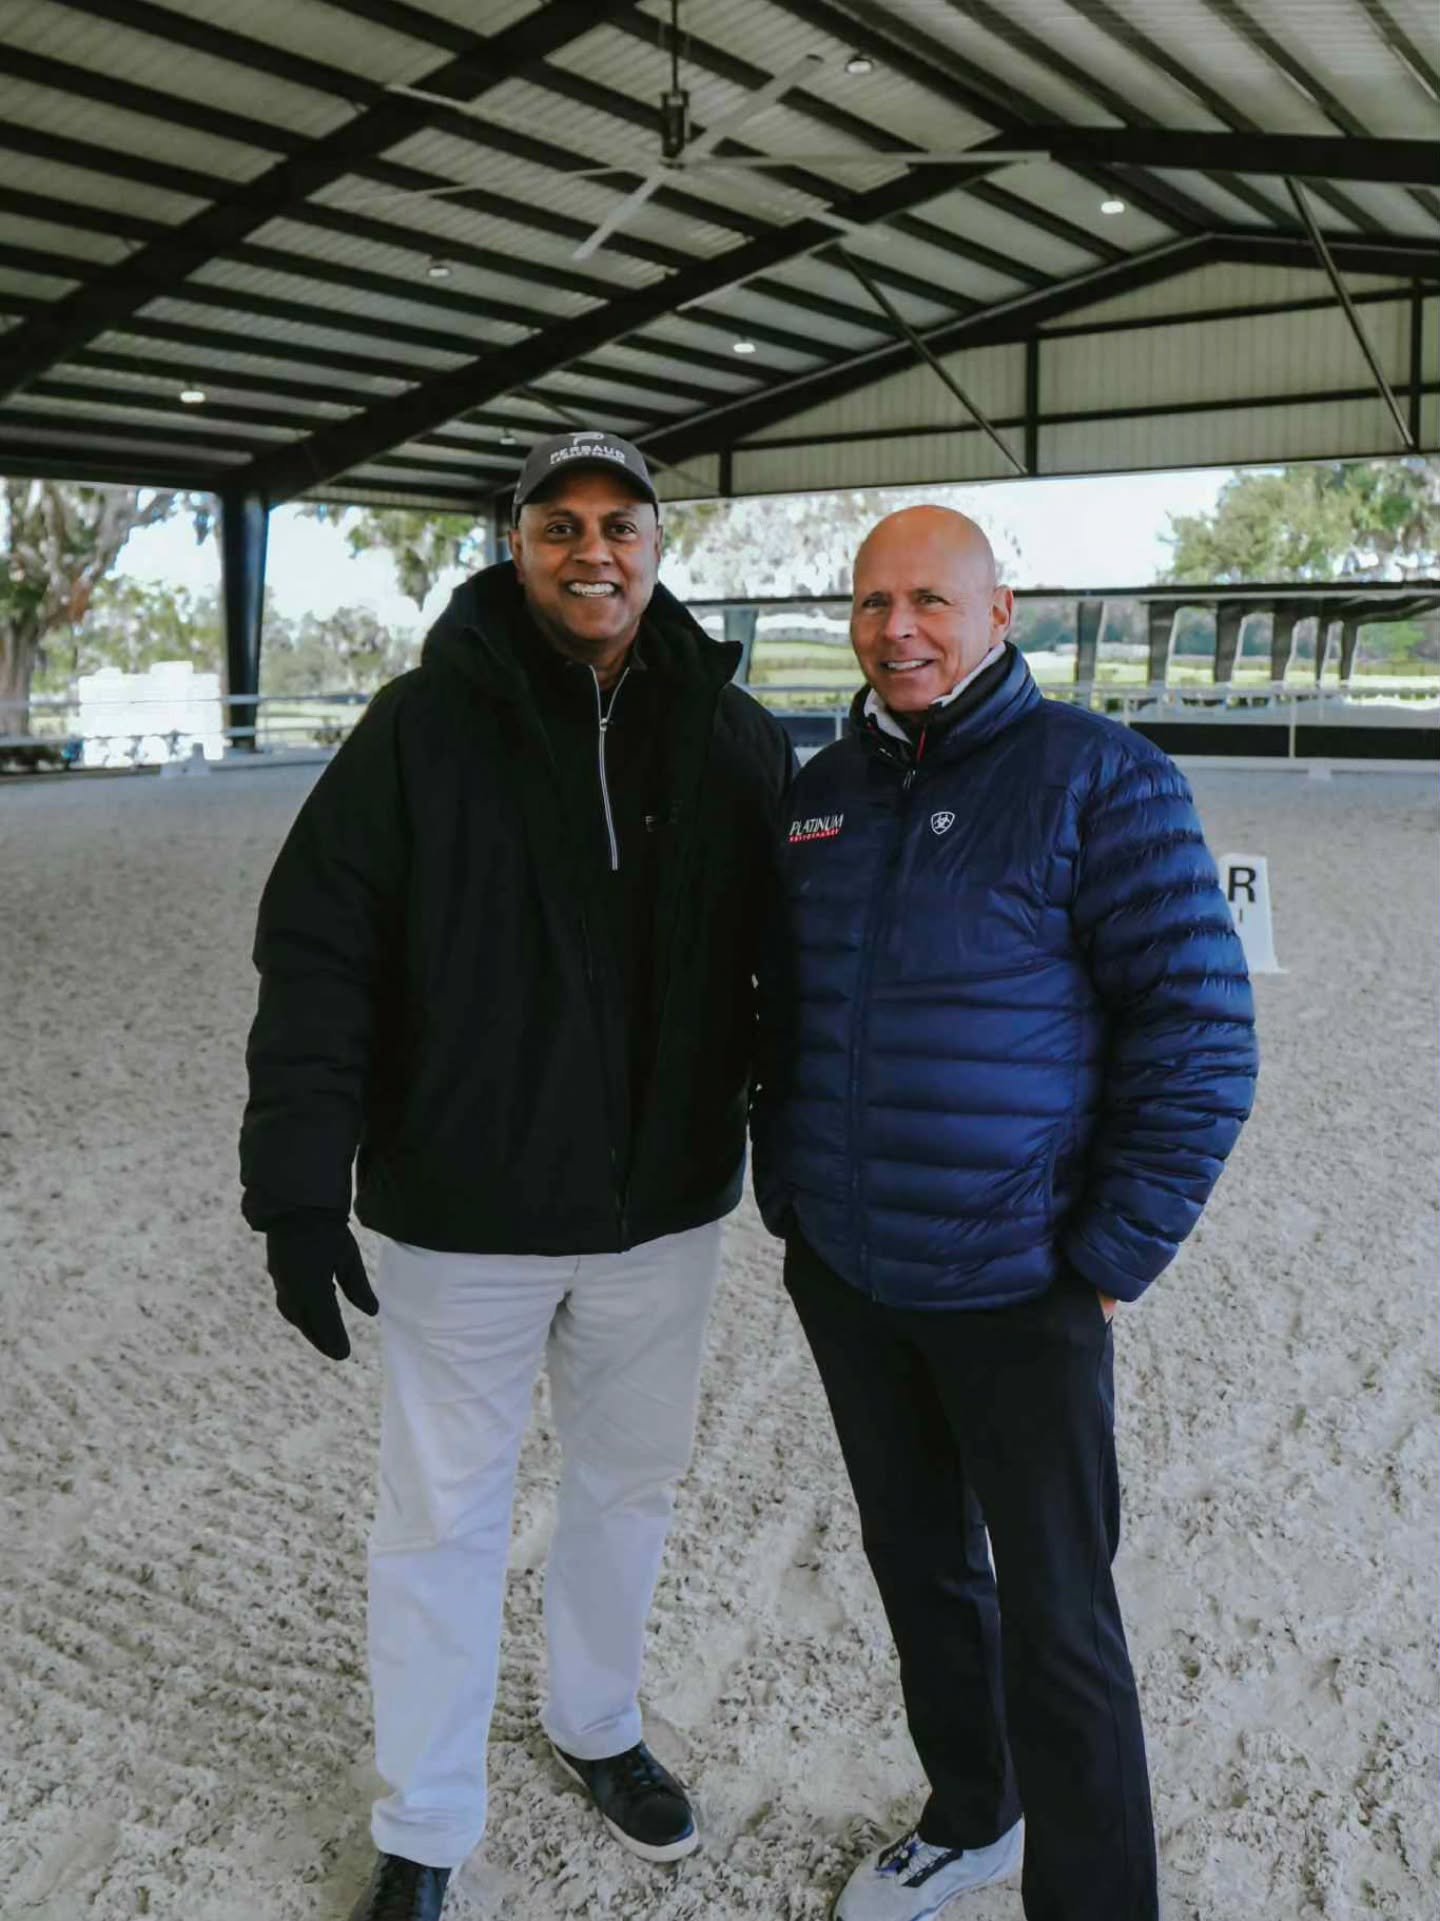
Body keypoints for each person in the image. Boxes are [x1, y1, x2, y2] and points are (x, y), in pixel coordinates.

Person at [240, 431, 792, 1921]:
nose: (592, 551)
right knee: (441, 1516)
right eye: (560, 525)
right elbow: (320, 953)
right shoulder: (419, 729)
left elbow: (792, 977)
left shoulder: (734, 739)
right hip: (464, 1215)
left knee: (628, 1486)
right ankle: (425, 1821)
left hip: (660, 1215)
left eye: (620, 524)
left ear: (659, 547)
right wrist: (297, 1182)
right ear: (515, 544)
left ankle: (598, 1722)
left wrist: (797, 1162)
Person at [752, 507, 1258, 1921]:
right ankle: (974, 1812)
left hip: (1020, 1287)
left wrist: (1103, 1258)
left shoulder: (1102, 780)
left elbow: (1203, 1033)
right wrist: (791, 1192)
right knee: (920, 1571)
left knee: (1061, 1621)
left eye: (928, 600)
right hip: (854, 1275)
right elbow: (779, 1012)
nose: (897, 628)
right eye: (870, 603)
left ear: (999, 614)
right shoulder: (822, 792)